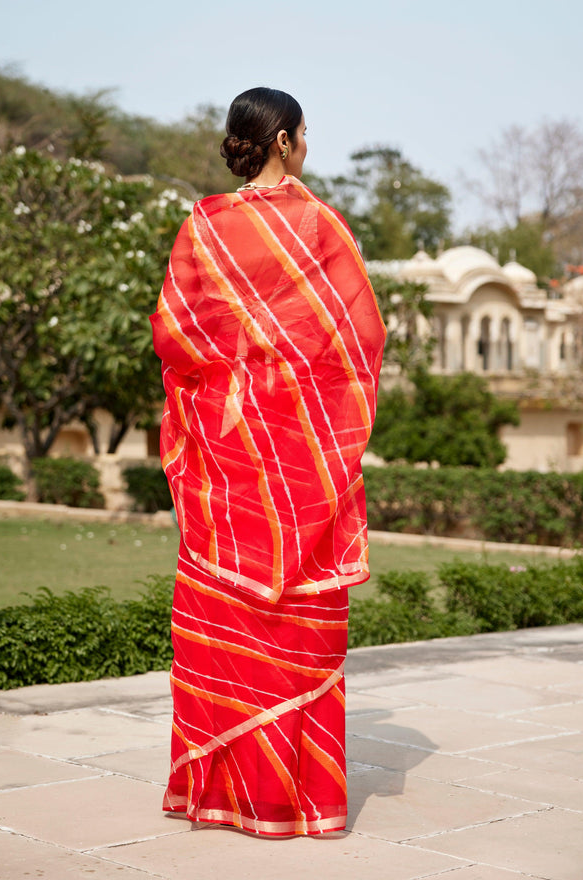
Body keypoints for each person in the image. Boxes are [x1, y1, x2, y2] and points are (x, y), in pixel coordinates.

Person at [150, 87, 387, 837]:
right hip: (301, 454)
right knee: (296, 626)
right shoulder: (322, 228)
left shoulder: (203, 227)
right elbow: (357, 341)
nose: (308, 145)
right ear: (283, 140)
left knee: (225, 614)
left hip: (226, 451)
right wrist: (289, 376)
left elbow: (175, 337)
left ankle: (217, 795)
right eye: (305, 134)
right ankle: (295, 802)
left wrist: (236, 376)